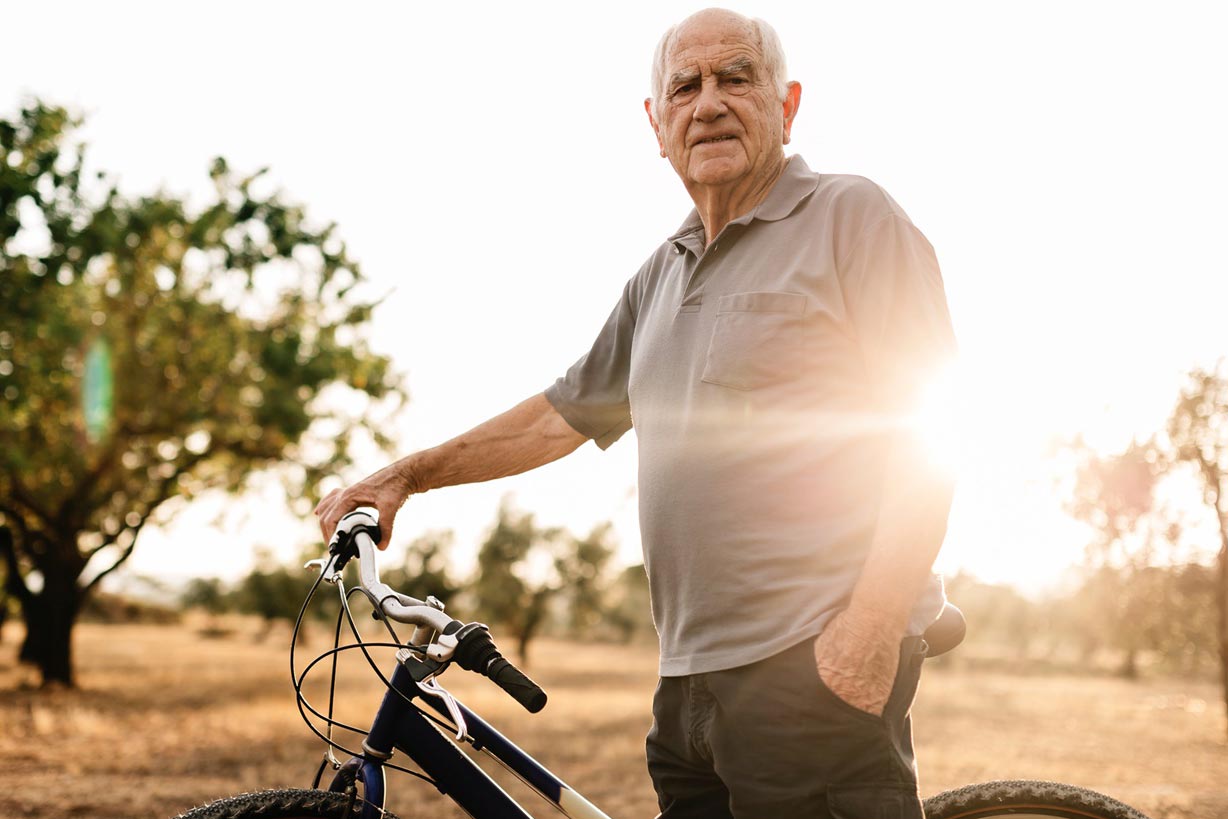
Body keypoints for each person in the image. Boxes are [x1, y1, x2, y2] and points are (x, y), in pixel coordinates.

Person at [316, 8, 956, 818]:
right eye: (684, 87)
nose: (709, 103)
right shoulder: (662, 272)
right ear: (657, 126)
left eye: (736, 78)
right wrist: (403, 475)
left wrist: (865, 633)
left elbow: (932, 435)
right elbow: (558, 415)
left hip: (810, 665)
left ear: (787, 105)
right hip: (687, 684)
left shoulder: (851, 217)